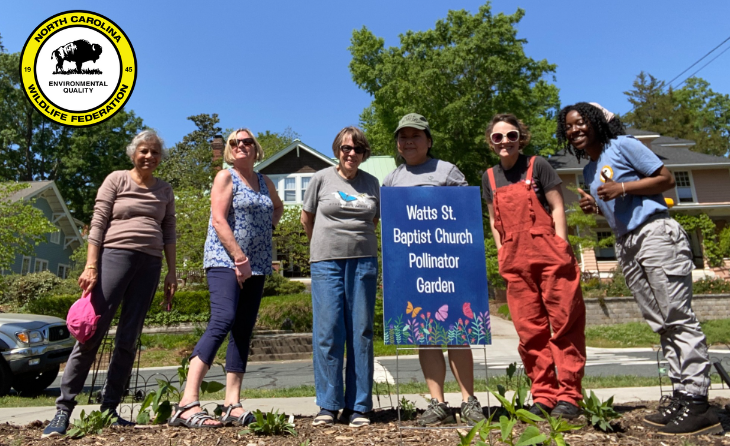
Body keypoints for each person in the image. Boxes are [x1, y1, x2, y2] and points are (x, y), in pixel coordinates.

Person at [557, 102, 721, 436]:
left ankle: (698, 403)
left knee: (677, 317)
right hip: (627, 242)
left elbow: (666, 179)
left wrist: (623, 187)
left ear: (596, 123)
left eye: (580, 123)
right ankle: (682, 395)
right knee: (661, 323)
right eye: (569, 127)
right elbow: (620, 208)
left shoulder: (624, 145)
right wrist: (597, 208)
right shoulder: (590, 170)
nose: (575, 130)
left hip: (655, 234)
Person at [43, 130, 177, 438]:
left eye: (155, 152)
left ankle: (110, 407)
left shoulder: (165, 190)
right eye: (144, 151)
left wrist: (172, 272)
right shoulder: (116, 180)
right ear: (133, 153)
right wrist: (91, 264)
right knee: (91, 332)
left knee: (129, 337)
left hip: (150, 263)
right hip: (114, 257)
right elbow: (98, 222)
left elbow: (169, 231)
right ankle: (63, 409)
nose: (149, 156)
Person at [169, 129, 283, 428]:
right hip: (224, 261)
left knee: (243, 329)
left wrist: (263, 234)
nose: (241, 145)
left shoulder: (264, 181)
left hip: (256, 265)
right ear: (230, 150)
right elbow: (218, 219)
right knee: (223, 319)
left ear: (256, 148)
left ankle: (232, 403)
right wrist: (239, 257)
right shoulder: (225, 177)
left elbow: (278, 207)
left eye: (247, 142)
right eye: (235, 142)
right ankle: (186, 403)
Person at [382, 113, 486, 427]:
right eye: (403, 137)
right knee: (425, 336)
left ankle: (469, 402)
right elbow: (392, 229)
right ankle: (437, 403)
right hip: (414, 270)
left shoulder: (447, 171)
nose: (408, 142)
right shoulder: (392, 179)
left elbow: (465, 217)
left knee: (458, 333)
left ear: (428, 140)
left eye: (415, 136)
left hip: (450, 266)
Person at [482, 114, 586, 419]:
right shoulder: (488, 177)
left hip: (552, 258)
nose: (505, 142)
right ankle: (543, 396)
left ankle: (569, 396)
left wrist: (562, 245)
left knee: (565, 325)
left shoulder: (537, 165)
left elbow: (556, 206)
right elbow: (492, 218)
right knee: (530, 333)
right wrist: (502, 252)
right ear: (491, 142)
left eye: (511, 135)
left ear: (520, 138)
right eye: (498, 137)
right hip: (515, 264)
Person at [301, 126, 380, 428]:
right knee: (328, 331)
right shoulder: (320, 179)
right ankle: (328, 405)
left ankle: (359, 407)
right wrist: (321, 245)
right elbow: (306, 217)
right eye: (346, 148)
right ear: (338, 149)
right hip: (326, 263)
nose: (351, 153)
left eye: (357, 149)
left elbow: (373, 219)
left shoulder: (371, 183)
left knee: (360, 332)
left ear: (363, 154)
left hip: (363, 263)